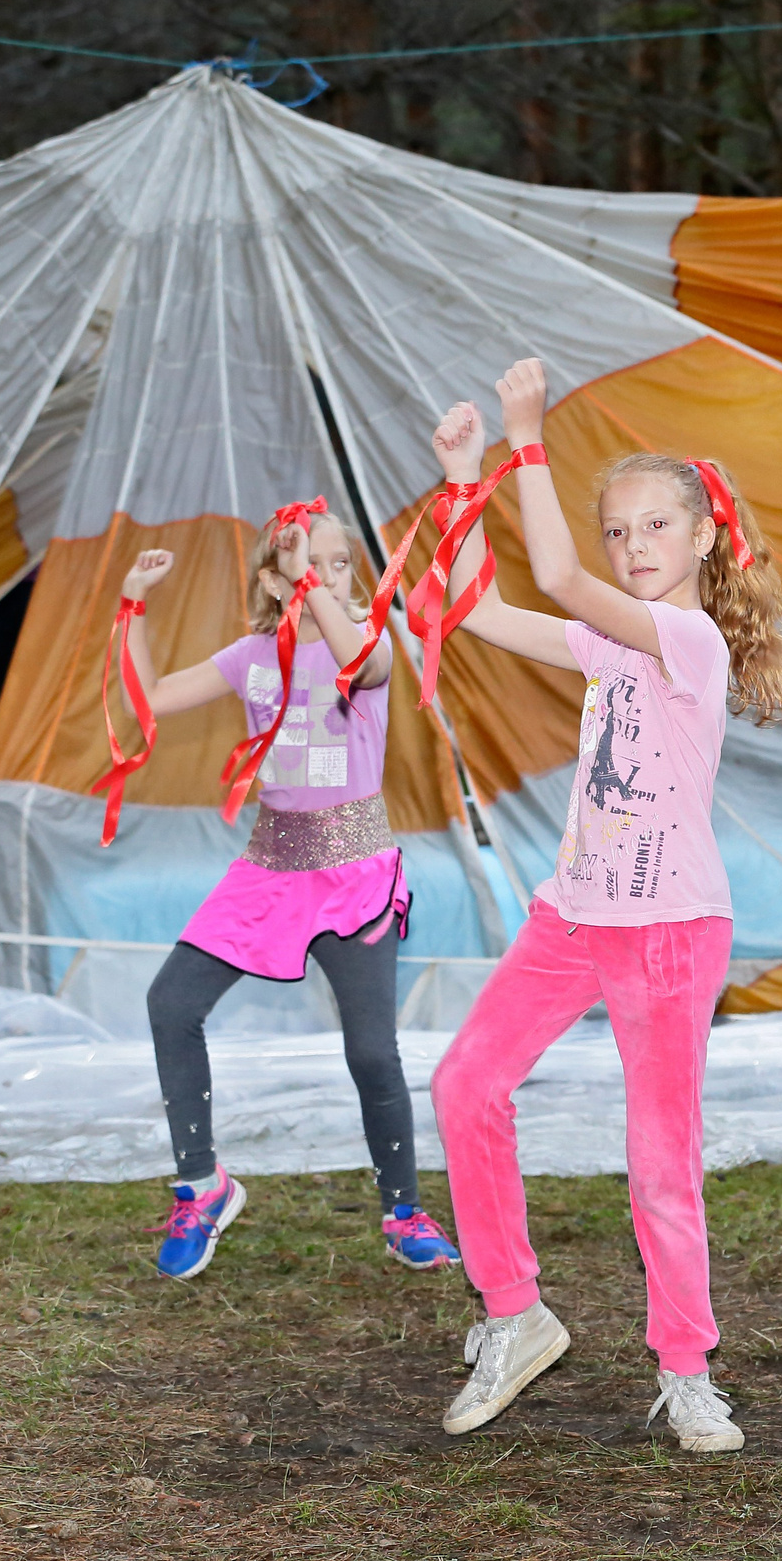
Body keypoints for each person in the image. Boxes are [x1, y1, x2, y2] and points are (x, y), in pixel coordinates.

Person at [425, 359, 782, 1453]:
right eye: (617, 532)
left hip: (669, 931)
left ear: (702, 537)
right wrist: (467, 477)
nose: (633, 545)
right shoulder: (615, 644)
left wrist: (528, 438)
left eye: (655, 526)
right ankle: (515, 1313)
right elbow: (479, 608)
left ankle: (687, 1370)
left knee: (659, 1160)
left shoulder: (688, 642)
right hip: (573, 916)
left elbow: (550, 572)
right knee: (465, 1083)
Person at [113, 513, 458, 1282]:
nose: (326, 574)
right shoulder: (251, 657)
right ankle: (203, 1183)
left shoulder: (370, 642)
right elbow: (154, 697)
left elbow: (361, 666)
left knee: (372, 1049)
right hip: (270, 870)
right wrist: (131, 606)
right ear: (272, 580)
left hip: (355, 874)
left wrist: (316, 587)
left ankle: (403, 1209)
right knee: (171, 1002)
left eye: (339, 563)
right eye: (306, 563)